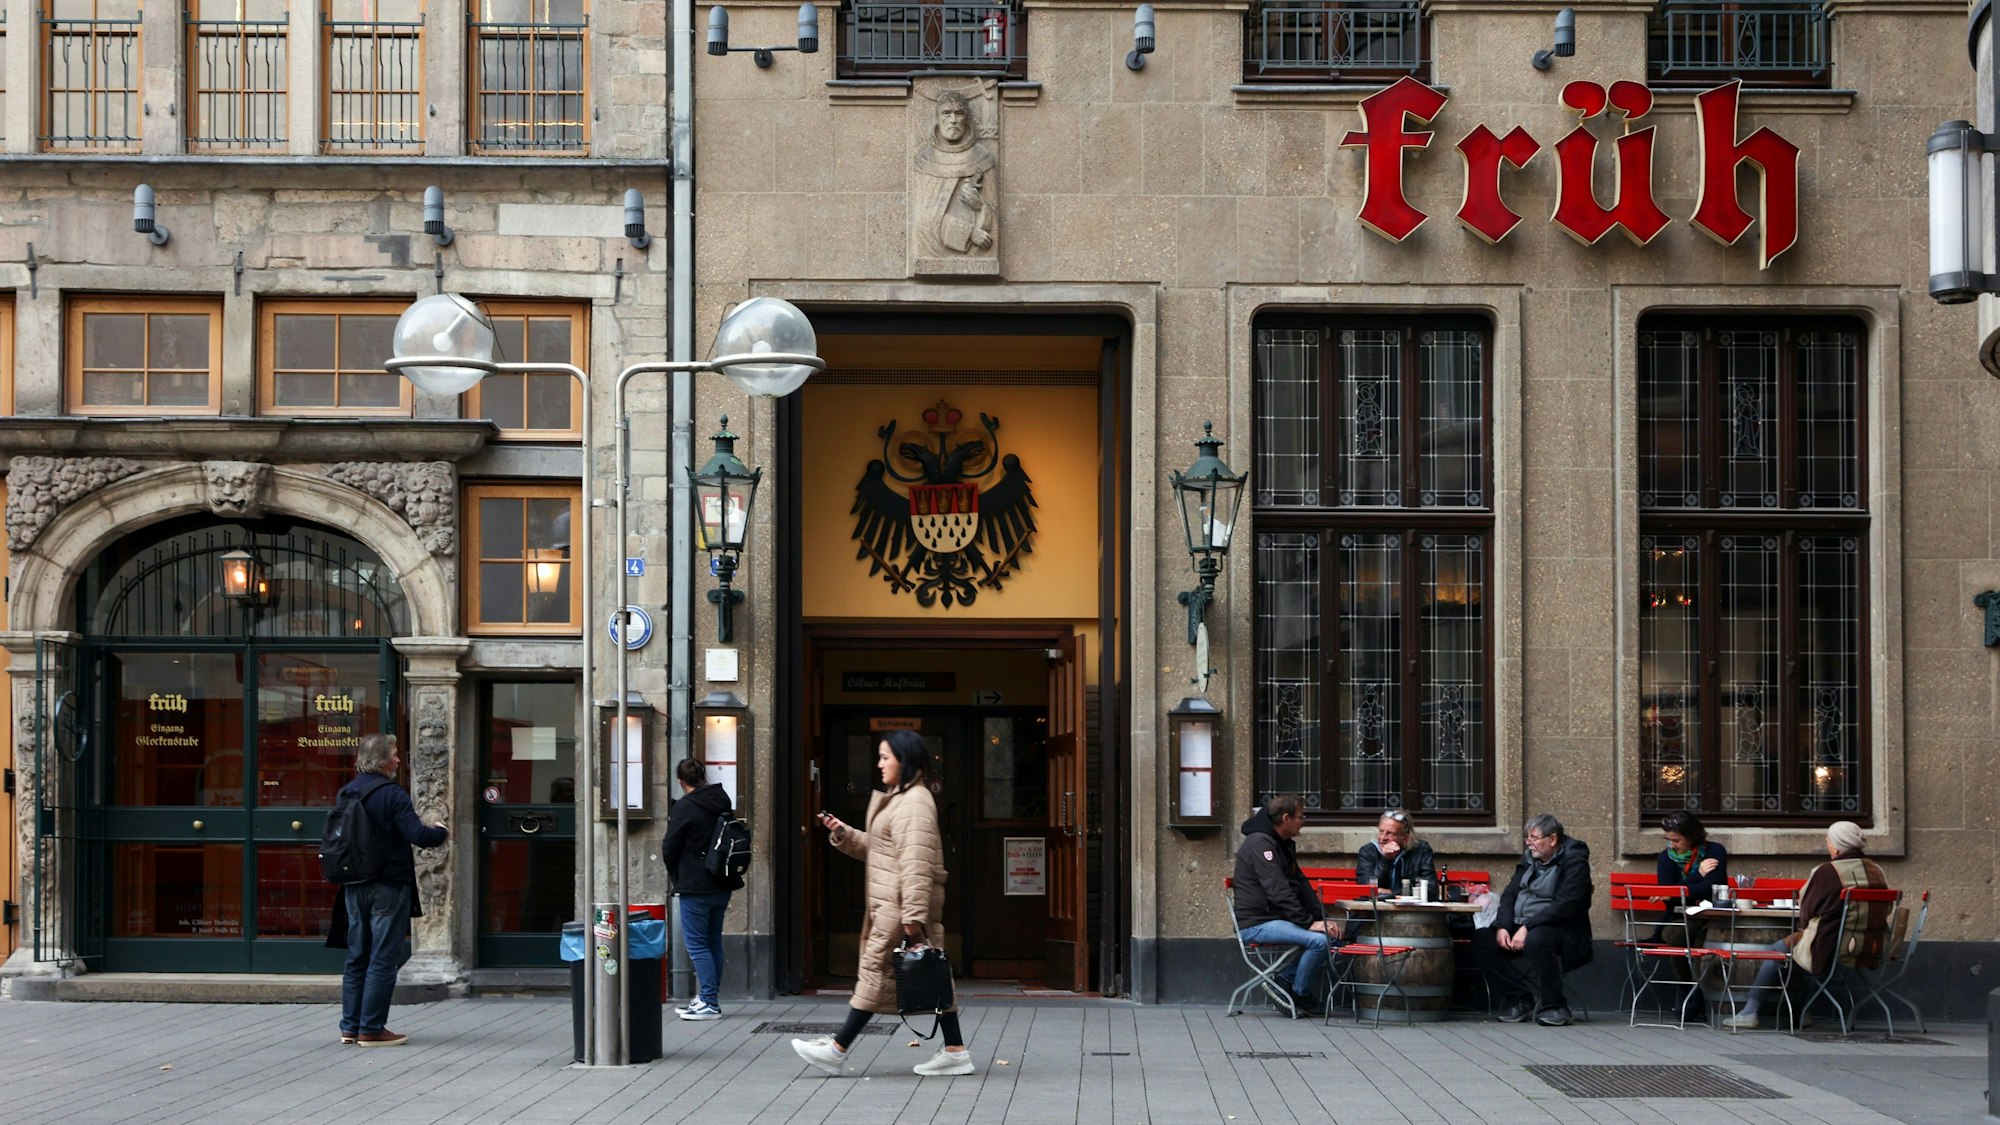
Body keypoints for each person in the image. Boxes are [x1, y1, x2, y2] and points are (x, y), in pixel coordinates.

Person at [792, 730, 975, 1077]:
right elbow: (885, 849)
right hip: (893, 903)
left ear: (904, 761)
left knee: (875, 973)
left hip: (898, 905)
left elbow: (916, 863)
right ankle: (955, 1051)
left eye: (884, 757)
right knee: (932, 976)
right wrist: (844, 834)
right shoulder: (901, 798)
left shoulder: (915, 802)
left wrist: (913, 917)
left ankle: (837, 1049)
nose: (879, 764)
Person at [1722, 820, 1889, 1029]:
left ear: (1836, 846)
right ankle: (1803, 1012)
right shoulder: (1877, 871)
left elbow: (1807, 910)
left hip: (1834, 942)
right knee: (1813, 950)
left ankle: (1750, 1012)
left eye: (1828, 840)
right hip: (1871, 943)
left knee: (1780, 950)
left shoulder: (1828, 871)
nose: (1828, 844)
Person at [337, 733, 447, 1047]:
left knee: (358, 956)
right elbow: (417, 834)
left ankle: (350, 1026)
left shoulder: (347, 792)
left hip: (354, 884)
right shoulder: (391, 794)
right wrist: (439, 832)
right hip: (387, 884)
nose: (399, 760)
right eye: (396, 754)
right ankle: (371, 1029)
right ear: (384, 760)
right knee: (384, 957)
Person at [1471, 813, 1593, 1026]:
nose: (1529, 842)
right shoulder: (1529, 858)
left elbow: (1565, 905)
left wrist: (1527, 927)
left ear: (1553, 839)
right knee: (1483, 940)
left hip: (1561, 929)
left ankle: (1555, 1006)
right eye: (1528, 837)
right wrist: (1502, 927)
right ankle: (1520, 999)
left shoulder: (1575, 860)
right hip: (1522, 923)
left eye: (1534, 837)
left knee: (1537, 940)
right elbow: (1510, 894)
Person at [1232, 794, 1341, 1017]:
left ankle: (1284, 981)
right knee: (1319, 941)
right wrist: (1310, 924)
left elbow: (1301, 885)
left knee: (1331, 935)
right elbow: (1278, 891)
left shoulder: (1282, 844)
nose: (1304, 821)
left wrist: (1322, 918)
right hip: (1257, 923)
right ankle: (1300, 995)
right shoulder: (1260, 845)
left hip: (1275, 918)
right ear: (1285, 818)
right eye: (1301, 816)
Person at [662, 756, 743, 1022]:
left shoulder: (685, 807)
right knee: (713, 943)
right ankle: (709, 997)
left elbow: (670, 846)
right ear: (703, 776)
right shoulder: (721, 799)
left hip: (696, 885)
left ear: (680, 781)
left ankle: (708, 1001)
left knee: (697, 945)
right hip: (722, 882)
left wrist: (675, 873)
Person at [913, 90, 997, 257]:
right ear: (937, 118)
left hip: (978, 253)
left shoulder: (983, 158)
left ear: (966, 119)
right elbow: (924, 216)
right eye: (946, 113)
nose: (953, 120)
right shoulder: (925, 161)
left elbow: (995, 213)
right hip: (932, 250)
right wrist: (969, 233)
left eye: (959, 114)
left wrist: (980, 205)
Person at [1355, 808, 1436, 892]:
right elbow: (1366, 888)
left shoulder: (1421, 850)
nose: (1382, 838)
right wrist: (1384, 860)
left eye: (1390, 833)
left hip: (1411, 904)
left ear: (1405, 837)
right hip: (1377, 904)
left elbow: (1431, 889)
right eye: (1381, 831)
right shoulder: (1368, 851)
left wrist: (1393, 894)